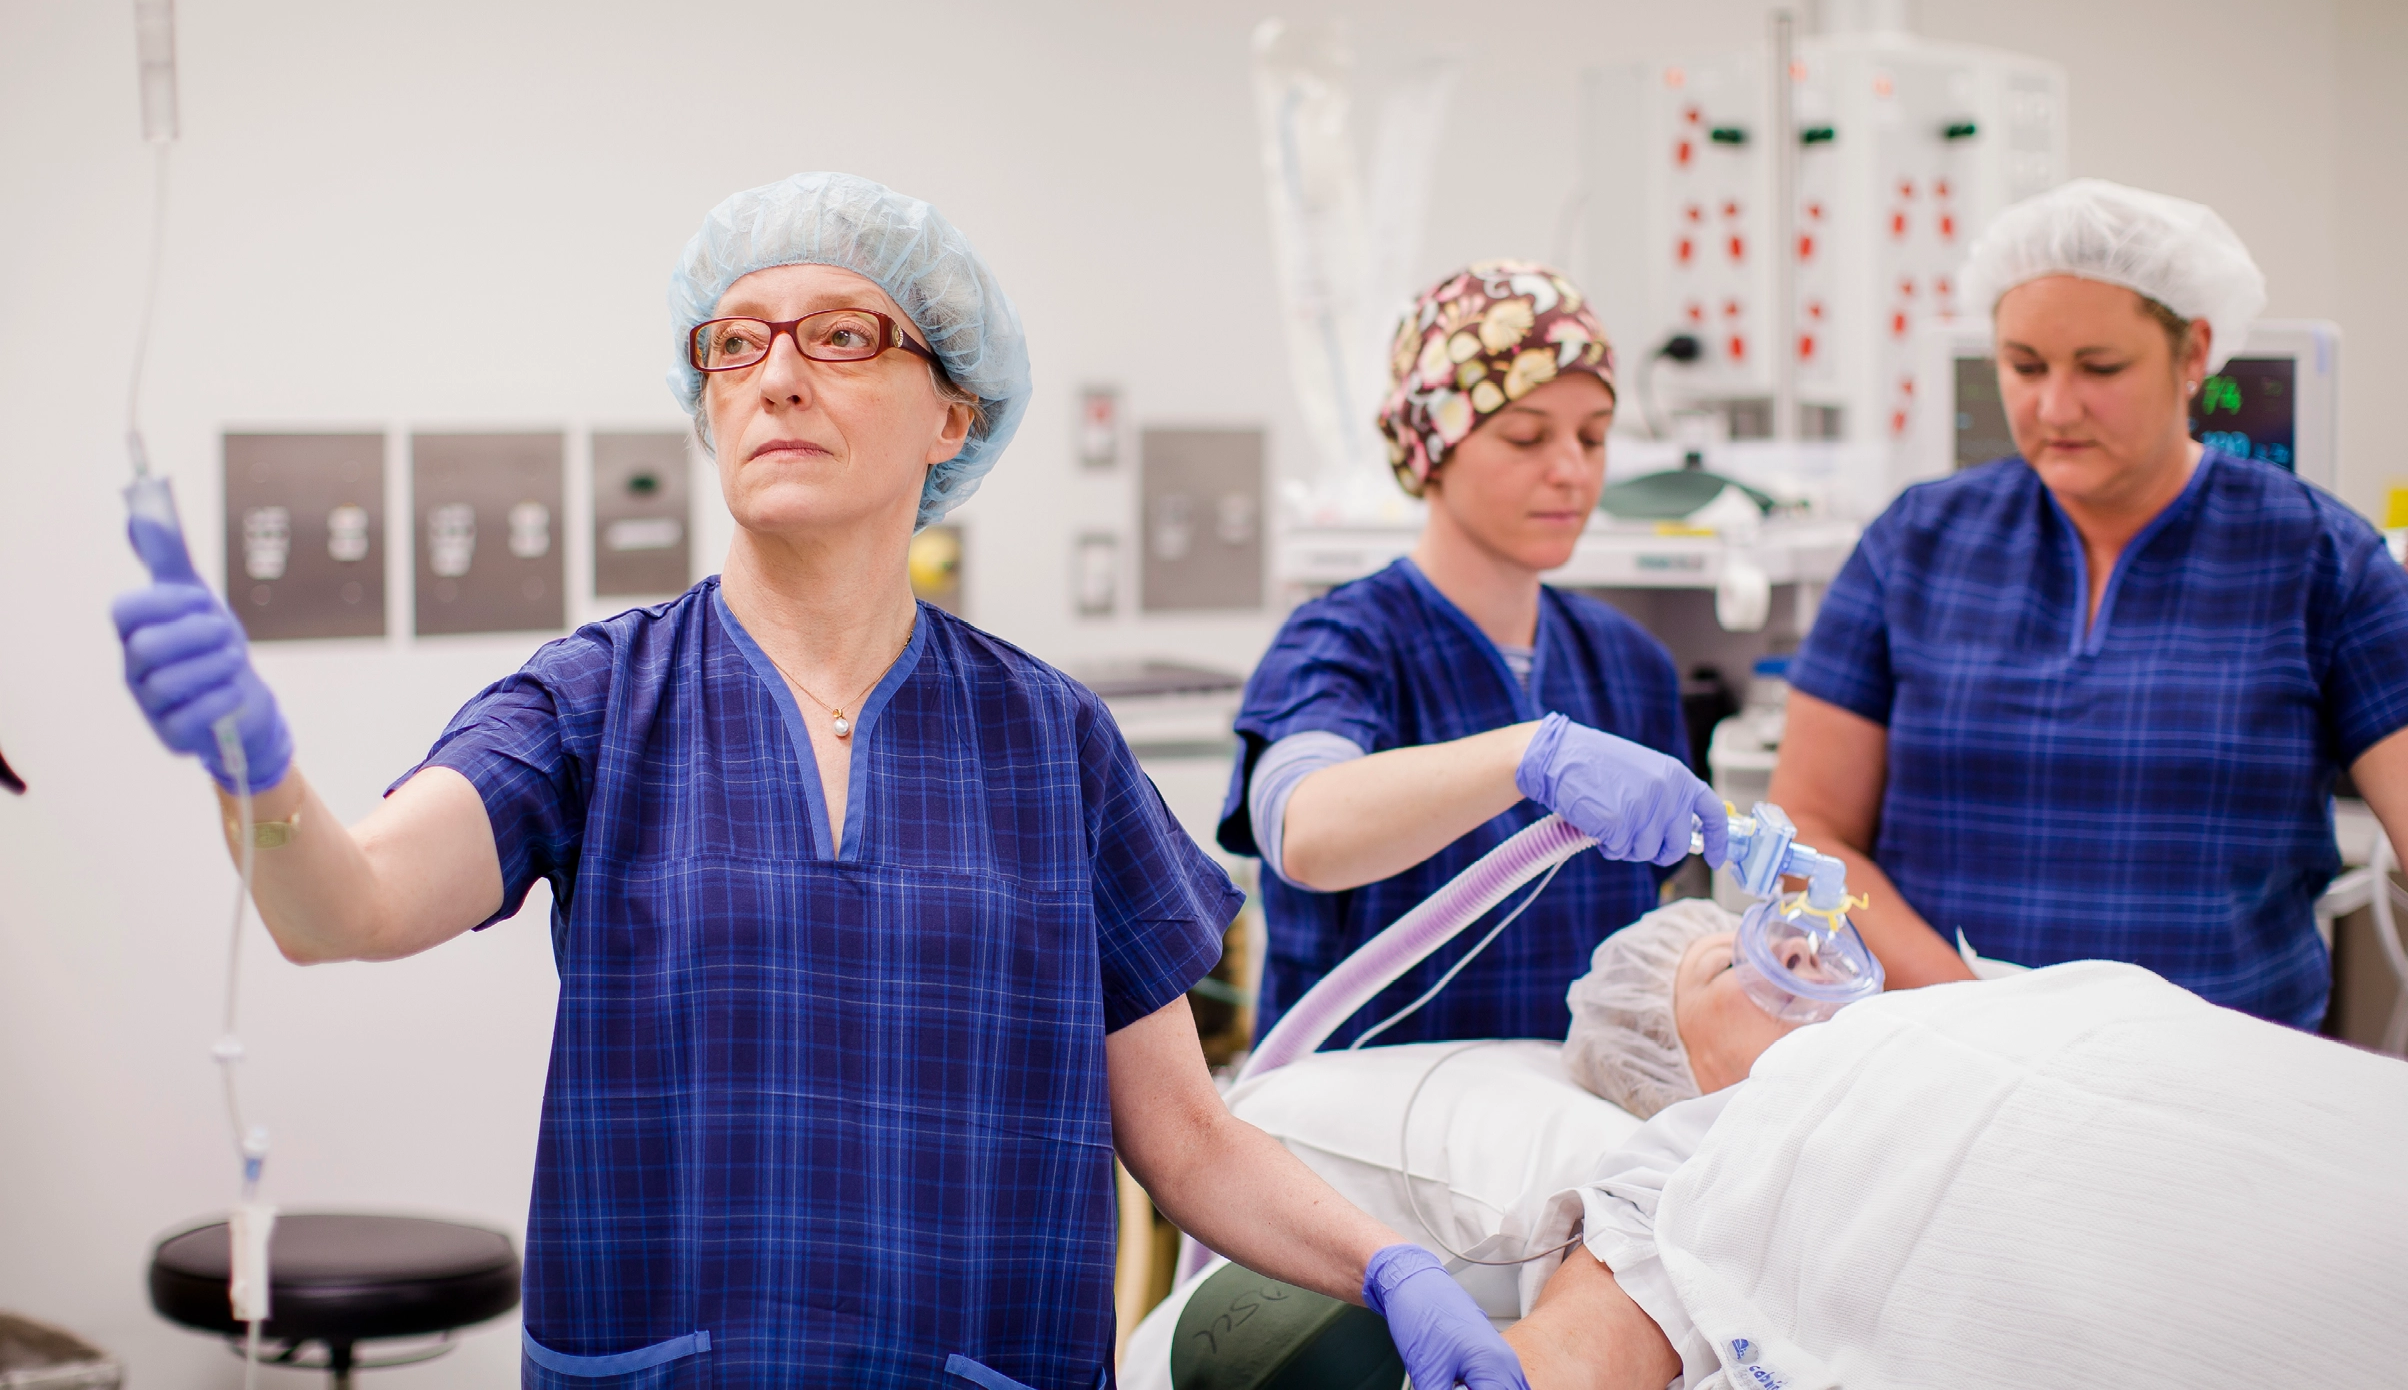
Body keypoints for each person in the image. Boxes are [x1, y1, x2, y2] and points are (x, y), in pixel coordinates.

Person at [110, 173, 1529, 1390]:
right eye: (735, 343)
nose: (777, 372)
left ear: (952, 412)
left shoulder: (1052, 742)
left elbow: (1184, 1138)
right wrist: (261, 769)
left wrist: (1392, 1264)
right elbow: (344, 905)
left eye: (843, 335)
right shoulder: (601, 702)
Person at [1769, 179, 2408, 1022]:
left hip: (2219, 1079)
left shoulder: (2318, 558)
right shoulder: (1917, 544)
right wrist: (1967, 1012)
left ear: (2193, 355)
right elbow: (1808, 825)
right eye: (2024, 366)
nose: (2054, 407)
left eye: (2100, 368)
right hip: (1946, 1057)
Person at [1506, 902, 2408, 1389]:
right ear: (1673, 1060)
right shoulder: (1716, 1134)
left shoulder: (2003, 997)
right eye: (1722, 966)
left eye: (1786, 937)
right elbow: (1583, 1341)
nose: (1794, 955)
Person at [1218, 261, 1726, 1048]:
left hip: (1566, 1134)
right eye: (1526, 435)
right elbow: (1302, 826)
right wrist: (1528, 754)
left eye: (1593, 436)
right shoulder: (1344, 640)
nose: (1572, 468)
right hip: (1364, 1141)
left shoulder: (1629, 664)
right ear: (1433, 445)